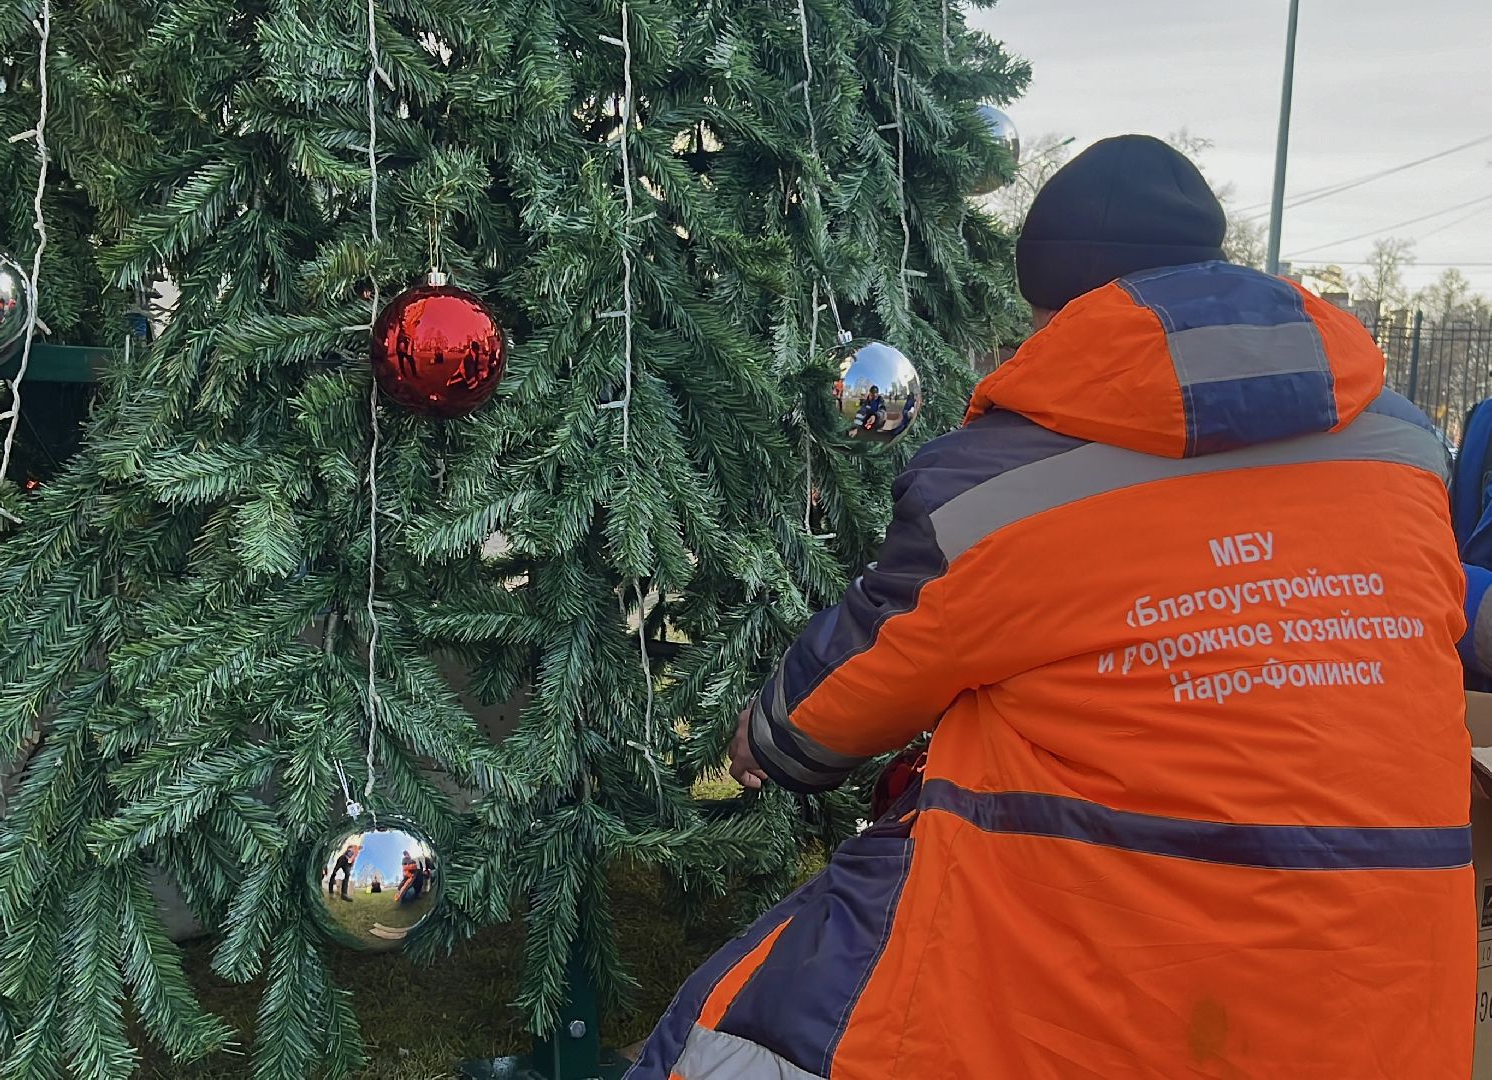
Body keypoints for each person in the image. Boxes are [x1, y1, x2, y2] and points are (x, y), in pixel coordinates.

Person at [629, 136, 1470, 1079]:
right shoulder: (1401, 451)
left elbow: (844, 700)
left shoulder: (1004, 480)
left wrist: (765, 736)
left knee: (729, 1032)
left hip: (1115, 999)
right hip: (1394, 1010)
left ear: (1057, 313)